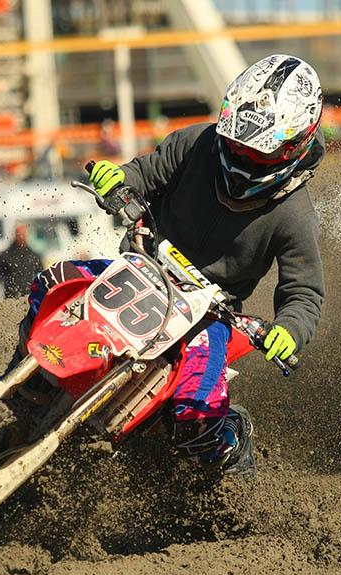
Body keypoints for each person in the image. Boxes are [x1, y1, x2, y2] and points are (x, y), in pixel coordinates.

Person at [19, 55, 325, 480]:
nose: (239, 156)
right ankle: (24, 386)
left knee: (197, 415)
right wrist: (116, 179)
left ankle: (232, 452)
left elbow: (304, 292)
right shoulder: (198, 143)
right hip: (139, 271)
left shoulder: (294, 214)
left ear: (293, 147)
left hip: (209, 315)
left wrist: (288, 331)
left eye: (254, 151)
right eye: (235, 143)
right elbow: (144, 173)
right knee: (52, 284)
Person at [0, 225, 43, 300]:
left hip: (30, 298)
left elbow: (42, 277)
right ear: (15, 235)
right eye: (19, 235)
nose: (21, 237)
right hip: (11, 298)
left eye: (23, 235)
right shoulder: (5, 256)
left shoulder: (34, 256)